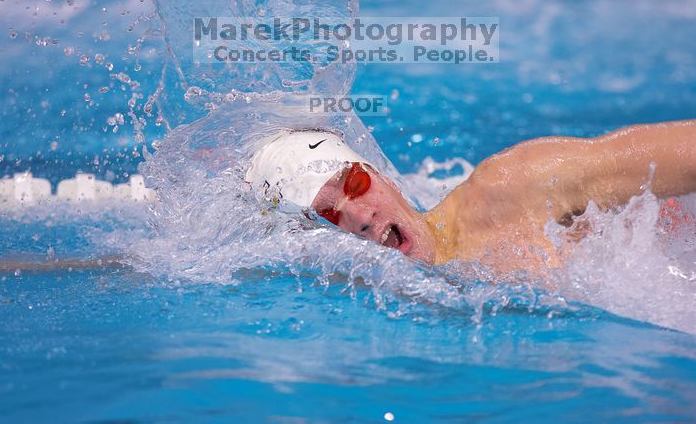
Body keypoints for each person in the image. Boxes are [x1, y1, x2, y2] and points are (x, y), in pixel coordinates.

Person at [245, 120, 696, 272]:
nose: (359, 217)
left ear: (385, 179)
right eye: (328, 214)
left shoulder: (513, 187)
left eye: (355, 186)